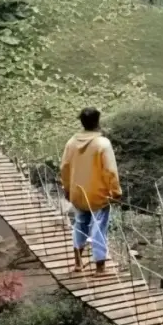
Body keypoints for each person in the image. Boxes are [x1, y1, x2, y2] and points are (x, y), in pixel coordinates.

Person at [59, 107, 122, 274]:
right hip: (98, 194)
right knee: (98, 228)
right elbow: (110, 171)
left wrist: (67, 189)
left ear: (82, 122)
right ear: (98, 121)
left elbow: (64, 168)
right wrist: (115, 192)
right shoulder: (102, 143)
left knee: (80, 225)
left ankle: (78, 263)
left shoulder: (71, 142)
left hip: (78, 193)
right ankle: (100, 267)